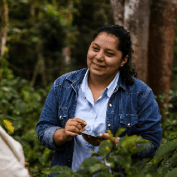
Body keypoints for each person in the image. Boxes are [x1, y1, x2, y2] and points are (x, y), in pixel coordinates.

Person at [36, 25, 162, 177]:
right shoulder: (63, 85)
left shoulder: (140, 93)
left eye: (109, 53)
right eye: (95, 48)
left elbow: (152, 144)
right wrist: (63, 133)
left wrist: (117, 143)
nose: (99, 57)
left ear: (123, 60)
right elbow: (43, 129)